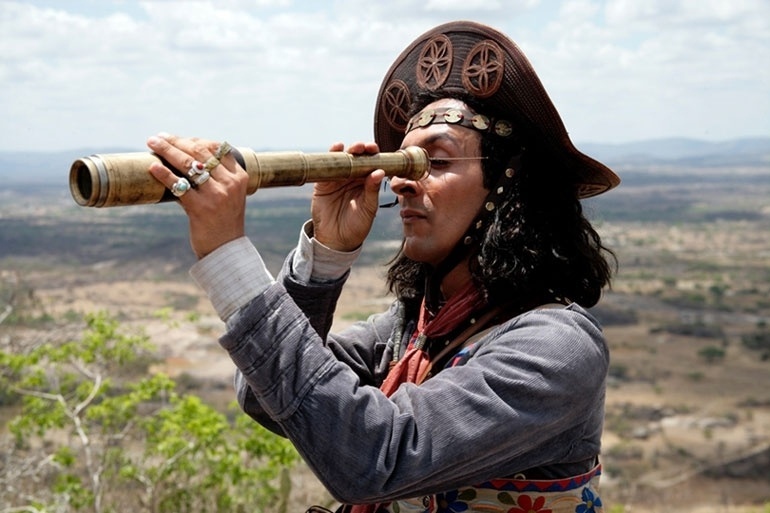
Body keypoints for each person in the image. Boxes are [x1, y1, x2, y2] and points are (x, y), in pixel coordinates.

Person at [146, 20, 620, 513]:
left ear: (509, 185)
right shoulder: (411, 331)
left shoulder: (557, 346)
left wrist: (229, 256)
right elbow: (266, 398)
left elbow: (378, 457)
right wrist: (325, 257)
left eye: (436, 163)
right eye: (403, 164)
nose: (402, 182)